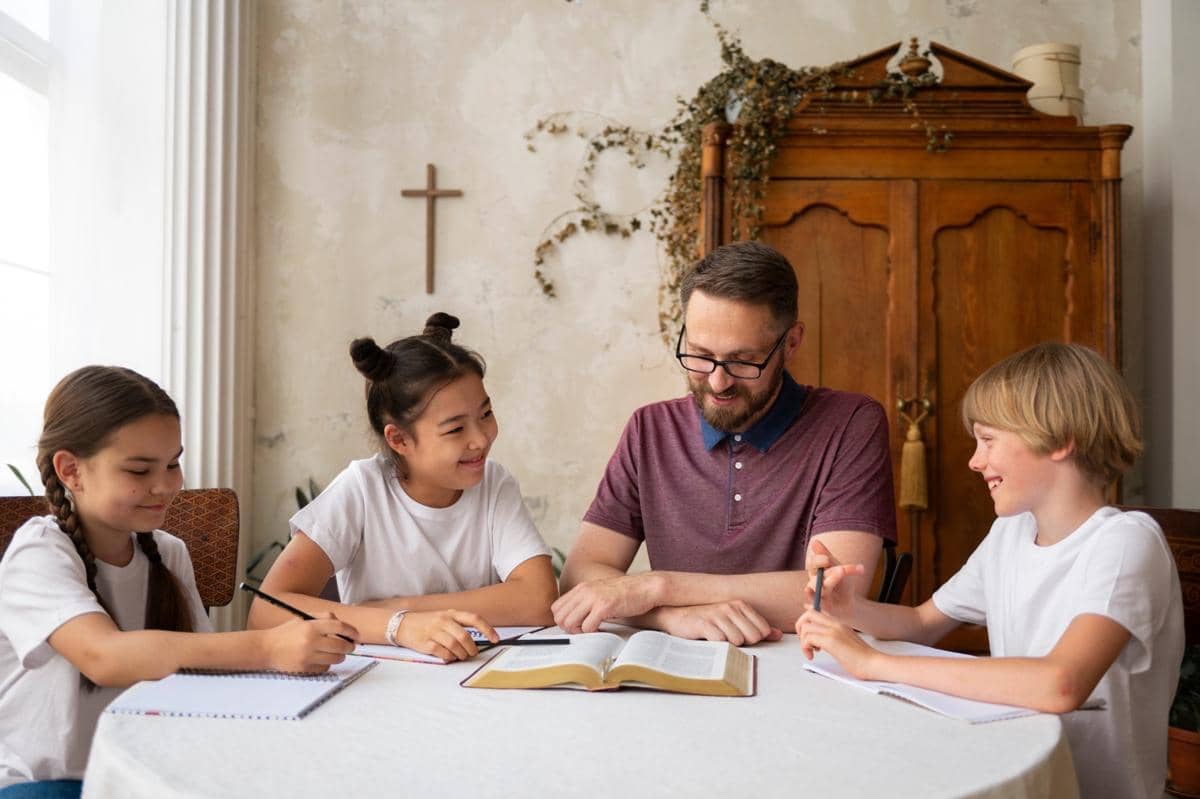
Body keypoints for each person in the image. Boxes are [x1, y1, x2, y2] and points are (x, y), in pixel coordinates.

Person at [796, 342, 1184, 799]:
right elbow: (921, 623)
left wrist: (874, 664)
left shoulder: (1125, 542)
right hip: (1021, 780)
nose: (975, 461)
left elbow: (1059, 683)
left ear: (1059, 439)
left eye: (988, 440)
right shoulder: (1011, 533)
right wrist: (850, 608)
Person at [0, 366, 358, 798]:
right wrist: (268, 647)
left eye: (173, 464)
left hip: (142, 768)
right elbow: (104, 656)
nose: (165, 485)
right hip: (45, 784)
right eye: (138, 471)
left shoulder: (167, 551)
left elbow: (195, 668)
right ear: (71, 470)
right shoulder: (40, 552)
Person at [553, 241, 896, 644]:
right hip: (680, 665)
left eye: (742, 361)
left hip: (801, 670)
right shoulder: (650, 428)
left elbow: (836, 594)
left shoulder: (851, 423)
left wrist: (659, 587)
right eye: (699, 355)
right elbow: (580, 577)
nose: (718, 382)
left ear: (791, 343)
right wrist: (670, 618)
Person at [248, 313, 557, 662]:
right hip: (376, 679)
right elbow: (267, 610)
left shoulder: (494, 484)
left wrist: (405, 608)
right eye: (455, 429)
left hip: (470, 673)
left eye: (485, 414)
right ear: (399, 439)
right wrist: (399, 626)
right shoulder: (361, 488)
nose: (481, 438)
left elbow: (539, 599)